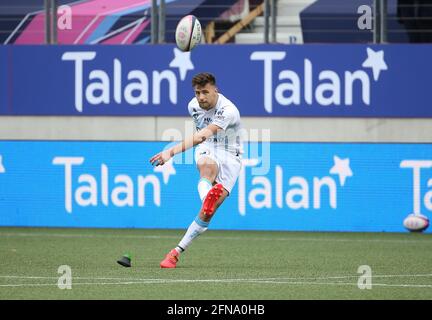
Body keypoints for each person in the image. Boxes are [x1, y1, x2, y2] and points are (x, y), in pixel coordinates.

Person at [149, 72, 243, 268]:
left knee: (208, 213)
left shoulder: (228, 110)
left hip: (231, 155)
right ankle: (206, 199)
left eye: (205, 92)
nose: (201, 97)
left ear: (216, 91)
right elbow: (203, 138)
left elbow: (201, 135)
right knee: (207, 169)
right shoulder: (193, 106)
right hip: (208, 148)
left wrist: (171, 152)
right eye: (198, 92)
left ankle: (176, 252)